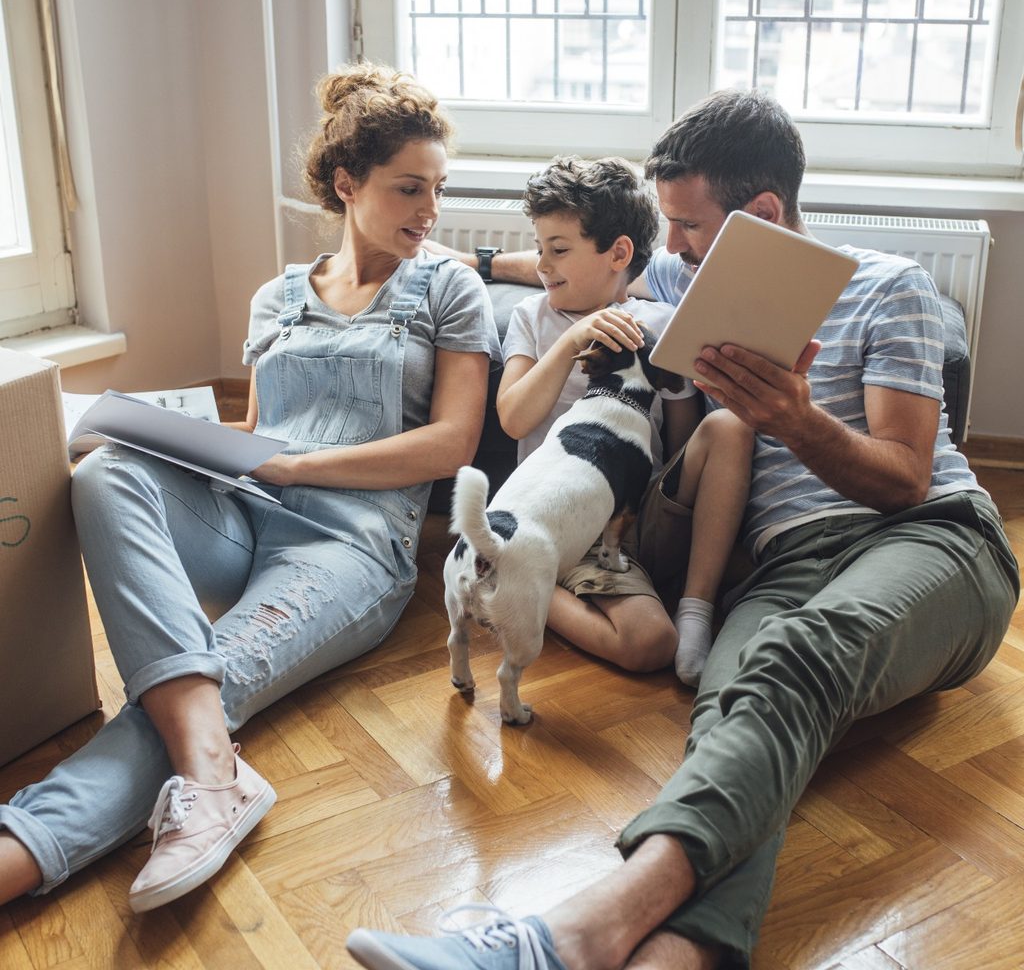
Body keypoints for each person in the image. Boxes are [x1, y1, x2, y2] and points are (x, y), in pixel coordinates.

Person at [345, 90, 1020, 970]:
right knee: (731, 721)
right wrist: (462, 257)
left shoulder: (892, 288)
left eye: (689, 228)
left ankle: (566, 938)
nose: (671, 251)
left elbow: (904, 479)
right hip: (780, 567)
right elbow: (571, 267)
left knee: (791, 659)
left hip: (932, 543)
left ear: (764, 215)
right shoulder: (676, 279)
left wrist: (797, 420)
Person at [0, 61, 499, 913]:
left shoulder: (450, 288)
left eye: (438, 190)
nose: (430, 211)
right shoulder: (276, 299)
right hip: (246, 516)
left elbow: (451, 445)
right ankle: (213, 777)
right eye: (409, 188)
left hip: (350, 546)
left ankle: (20, 847)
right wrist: (184, 440)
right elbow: (260, 433)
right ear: (348, 185)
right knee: (108, 472)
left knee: (204, 684)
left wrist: (296, 467)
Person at [498, 155, 752, 679]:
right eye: (540, 247)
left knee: (730, 427)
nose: (542, 265)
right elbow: (514, 419)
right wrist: (573, 337)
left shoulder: (660, 323)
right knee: (649, 645)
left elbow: (680, 444)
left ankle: (697, 607)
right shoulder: (533, 320)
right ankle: (508, 579)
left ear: (619, 253)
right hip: (567, 521)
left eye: (559, 250)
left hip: (640, 515)